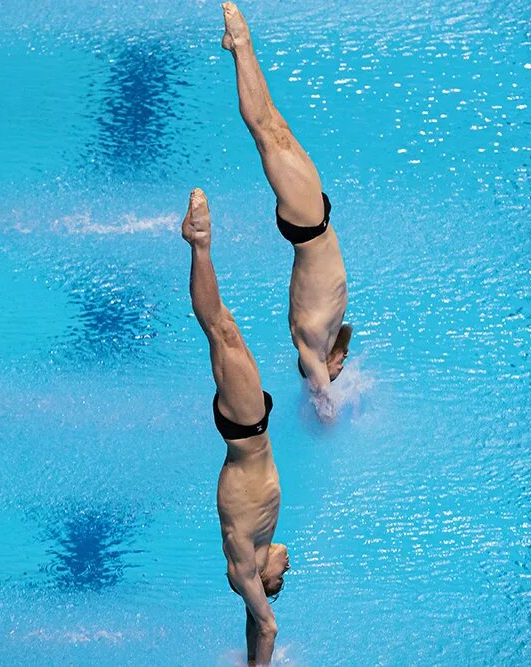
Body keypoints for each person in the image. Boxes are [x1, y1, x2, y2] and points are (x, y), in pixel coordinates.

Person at [221, 2, 352, 420]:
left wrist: (324, 399)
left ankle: (241, 45)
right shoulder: (329, 334)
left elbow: (323, 396)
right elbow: (343, 343)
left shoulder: (309, 345)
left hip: (308, 222)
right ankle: (238, 46)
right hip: (314, 218)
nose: (342, 367)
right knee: (274, 124)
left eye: (337, 372)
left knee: (264, 132)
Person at [182, 188, 291, 666]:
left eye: (282, 579)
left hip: (245, 432)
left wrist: (262, 647)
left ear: (262, 579)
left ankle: (198, 241)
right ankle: (199, 243)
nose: (289, 569)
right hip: (251, 430)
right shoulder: (258, 549)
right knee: (225, 330)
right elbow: (255, 623)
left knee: (221, 327)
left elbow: (265, 625)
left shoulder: (244, 564)